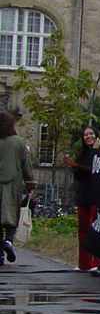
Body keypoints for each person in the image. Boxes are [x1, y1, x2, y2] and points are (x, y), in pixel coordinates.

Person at [64, 126, 100, 272]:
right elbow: (80, 175)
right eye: (85, 135)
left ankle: (96, 263)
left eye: (91, 133)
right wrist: (75, 167)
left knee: (95, 230)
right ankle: (84, 263)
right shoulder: (82, 154)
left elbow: (95, 169)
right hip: (83, 195)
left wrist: (77, 166)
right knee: (83, 230)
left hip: (95, 197)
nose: (88, 137)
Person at [0, 110, 34, 265]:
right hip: (13, 185)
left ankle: (0, 255)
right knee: (12, 215)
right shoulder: (19, 142)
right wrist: (30, 184)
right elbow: (26, 166)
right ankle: (8, 241)